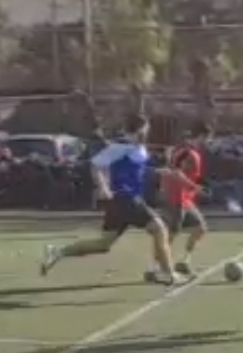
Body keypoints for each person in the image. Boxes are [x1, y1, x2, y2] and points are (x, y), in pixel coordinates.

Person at [39, 114, 198, 286]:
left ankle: (57, 252)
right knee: (160, 230)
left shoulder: (138, 147)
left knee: (103, 244)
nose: (147, 132)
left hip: (121, 202)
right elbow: (96, 164)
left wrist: (159, 171)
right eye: (146, 129)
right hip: (126, 197)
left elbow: (138, 168)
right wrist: (103, 187)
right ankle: (168, 274)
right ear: (140, 129)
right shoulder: (121, 146)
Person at [159, 121, 213, 276]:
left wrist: (199, 186)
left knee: (200, 228)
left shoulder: (193, 152)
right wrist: (194, 186)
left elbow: (190, 174)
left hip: (186, 198)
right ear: (202, 136)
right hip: (176, 196)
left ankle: (184, 261)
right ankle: (155, 268)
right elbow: (175, 172)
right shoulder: (185, 151)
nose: (209, 141)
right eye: (208, 138)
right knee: (171, 234)